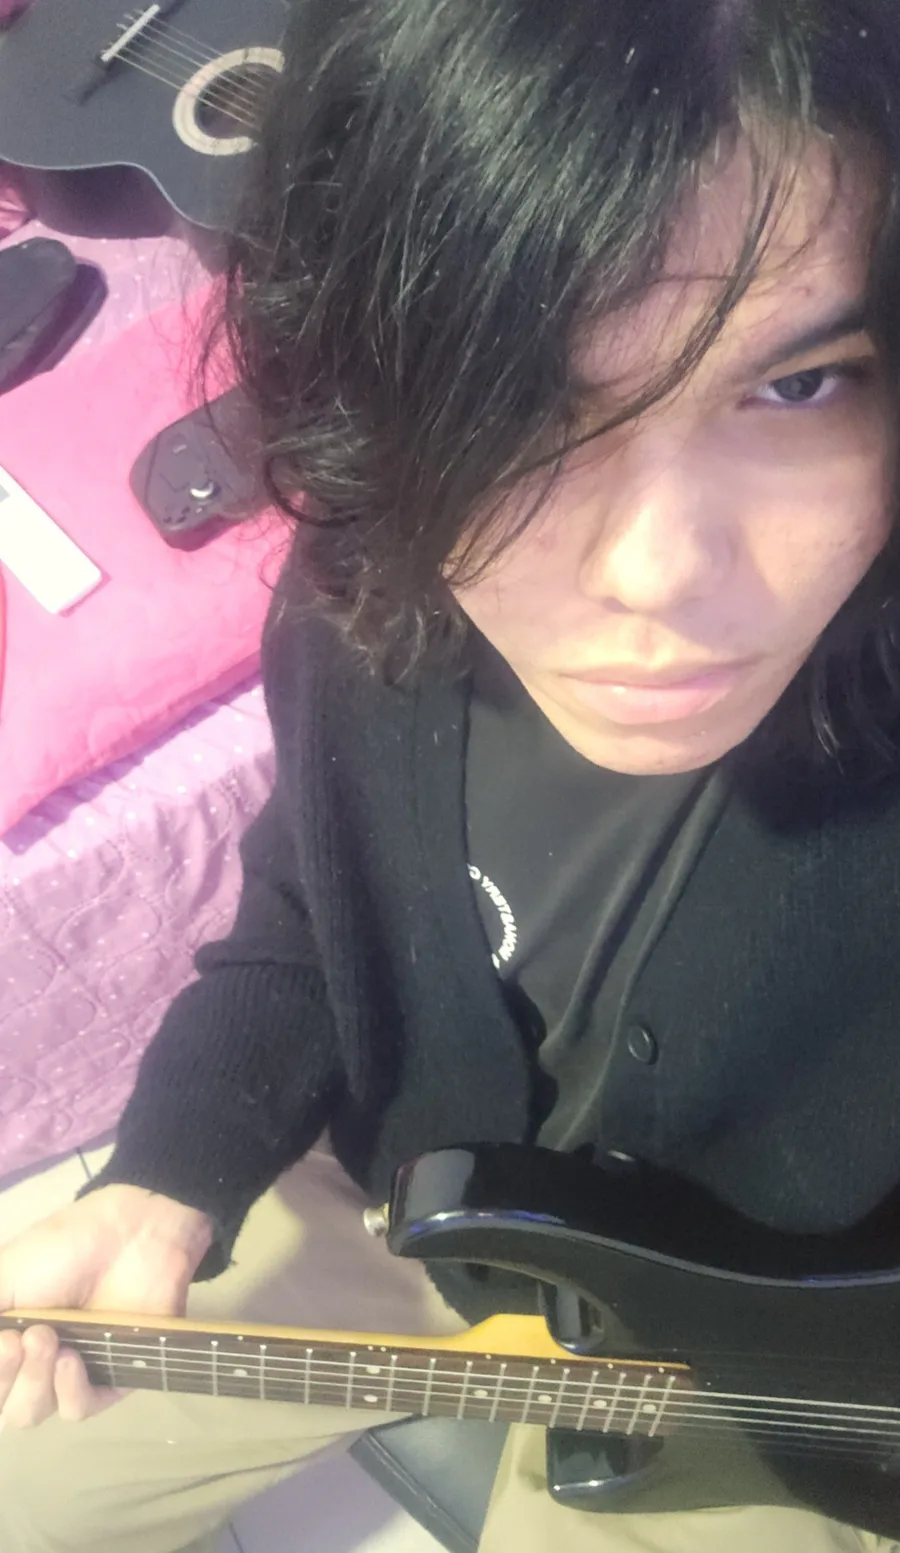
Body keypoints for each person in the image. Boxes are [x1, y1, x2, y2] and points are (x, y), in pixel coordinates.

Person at [3, 0, 900, 1548]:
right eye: (520, 393)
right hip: (409, 1201)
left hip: (776, 1382)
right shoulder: (368, 594)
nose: (656, 574)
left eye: (798, 383)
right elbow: (307, 913)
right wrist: (168, 1172)